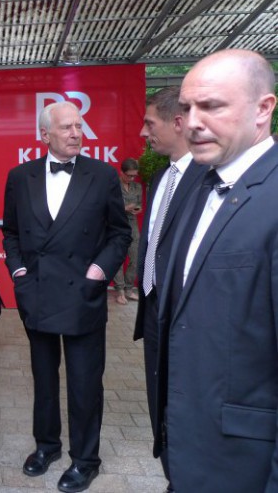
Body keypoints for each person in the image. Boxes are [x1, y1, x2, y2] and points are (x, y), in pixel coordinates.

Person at [155, 49, 278, 492]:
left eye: (212, 106)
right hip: (189, 454)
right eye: (187, 108)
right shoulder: (199, 186)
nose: (192, 121)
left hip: (245, 466)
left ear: (263, 109)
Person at [2, 101, 131, 493]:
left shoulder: (103, 175)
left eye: (79, 126)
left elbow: (119, 234)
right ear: (45, 135)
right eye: (67, 127)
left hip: (83, 295)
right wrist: (19, 272)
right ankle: (46, 446)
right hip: (37, 294)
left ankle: (85, 459)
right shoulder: (20, 176)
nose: (77, 133)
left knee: (84, 382)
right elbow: (11, 232)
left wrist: (99, 272)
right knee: (43, 379)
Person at [133, 85, 207, 492]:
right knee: (158, 401)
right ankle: (171, 474)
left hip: (186, 319)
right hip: (154, 311)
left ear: (178, 122)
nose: (144, 133)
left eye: (150, 123)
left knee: (185, 405)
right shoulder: (161, 176)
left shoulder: (206, 178)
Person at [112, 158, 142, 305]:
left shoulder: (137, 187)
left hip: (132, 224)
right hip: (115, 224)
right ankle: (120, 291)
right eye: (129, 175)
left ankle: (129, 289)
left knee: (136, 257)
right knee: (118, 258)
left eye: (134, 176)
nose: (131, 178)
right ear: (121, 172)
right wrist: (125, 208)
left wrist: (137, 208)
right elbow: (107, 207)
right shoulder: (113, 186)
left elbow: (139, 204)